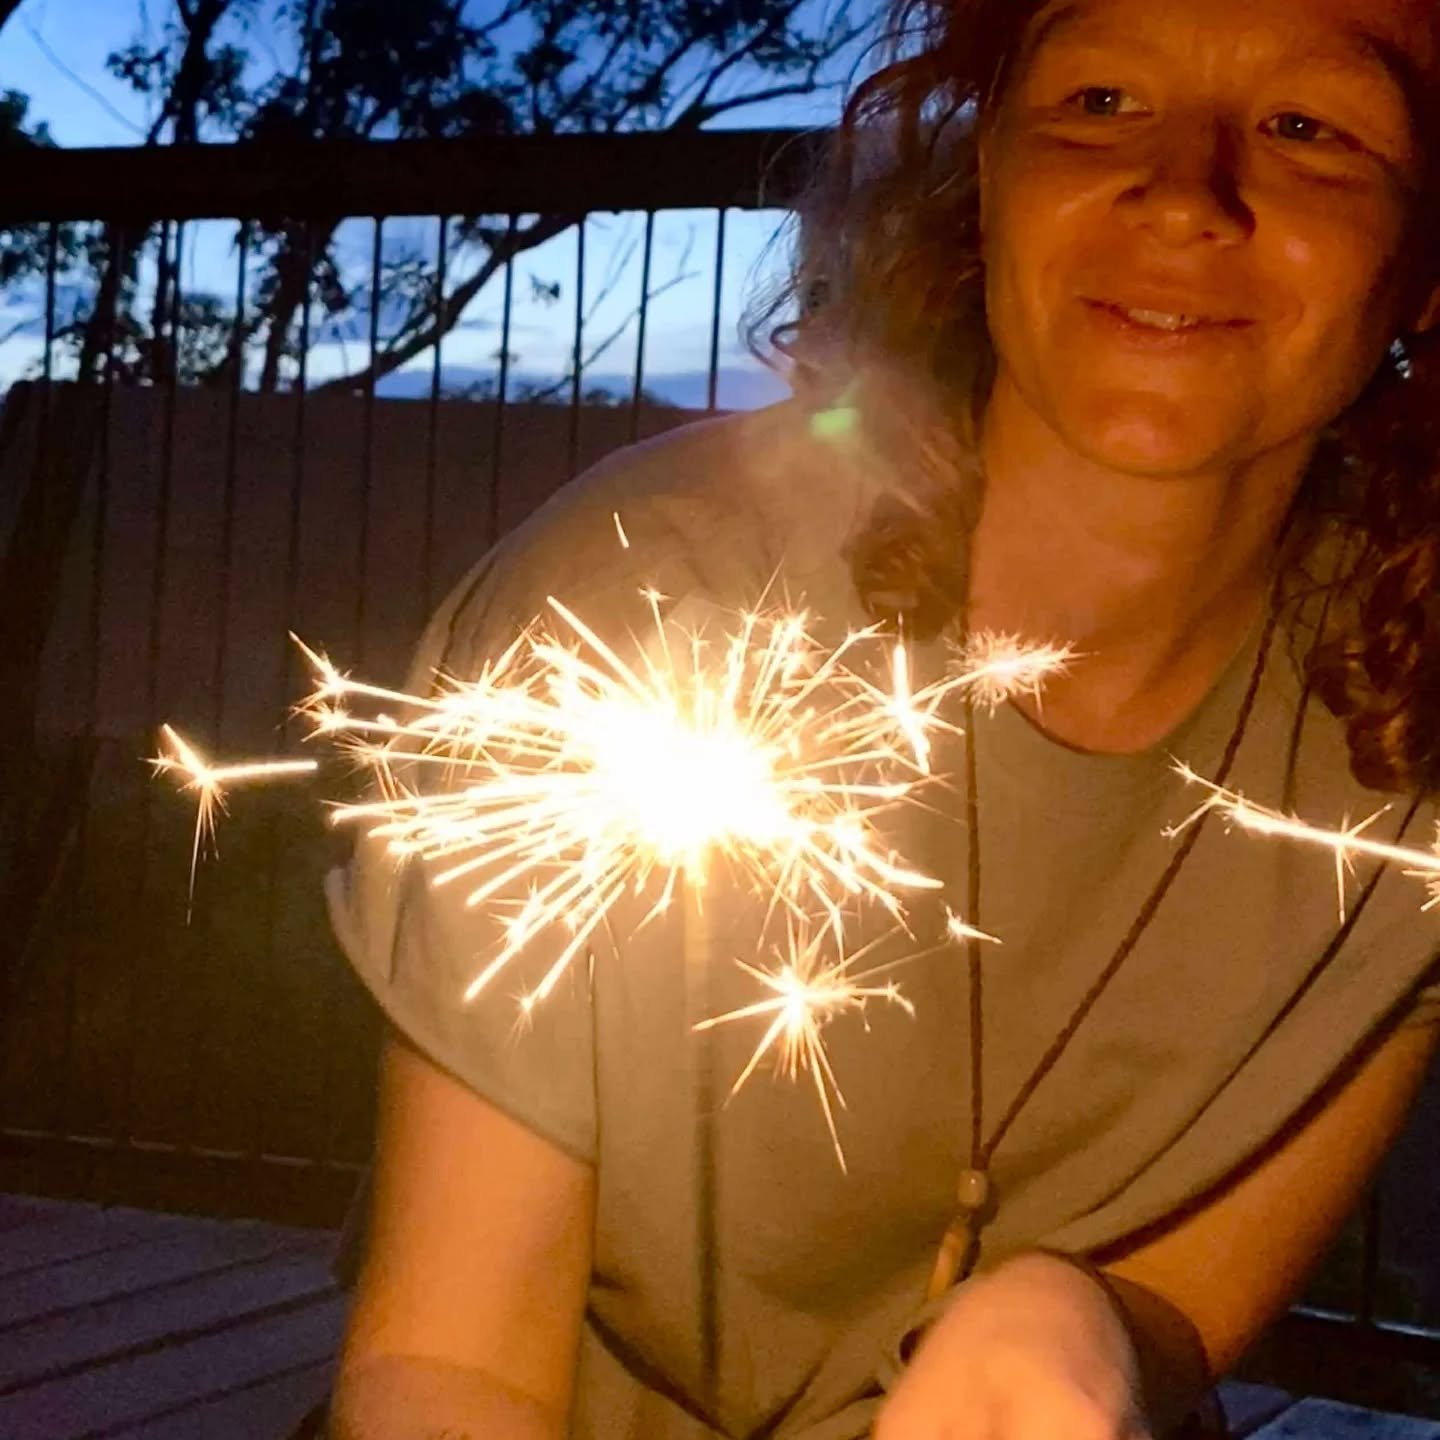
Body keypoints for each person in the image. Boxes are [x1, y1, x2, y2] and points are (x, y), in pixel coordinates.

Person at [321, 0, 1440, 1435]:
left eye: (1309, 127)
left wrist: (1086, 1327)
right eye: (1102, 102)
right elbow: (449, 1362)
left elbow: (1167, 1317)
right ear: (986, 176)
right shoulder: (641, 604)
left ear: (1423, 262)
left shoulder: (1403, 740)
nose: (1182, 190)